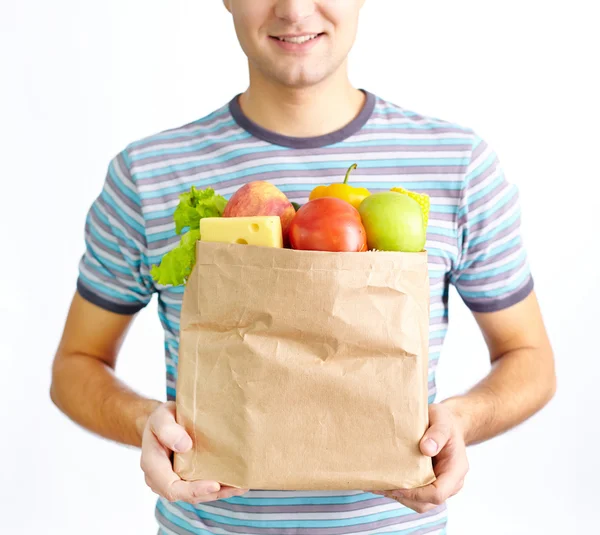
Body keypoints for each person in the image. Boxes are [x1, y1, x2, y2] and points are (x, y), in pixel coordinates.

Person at [50, 1, 557, 533]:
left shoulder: (459, 165)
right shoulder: (148, 173)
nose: (293, 9)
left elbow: (531, 358)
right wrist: (143, 422)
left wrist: (462, 420)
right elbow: (75, 366)